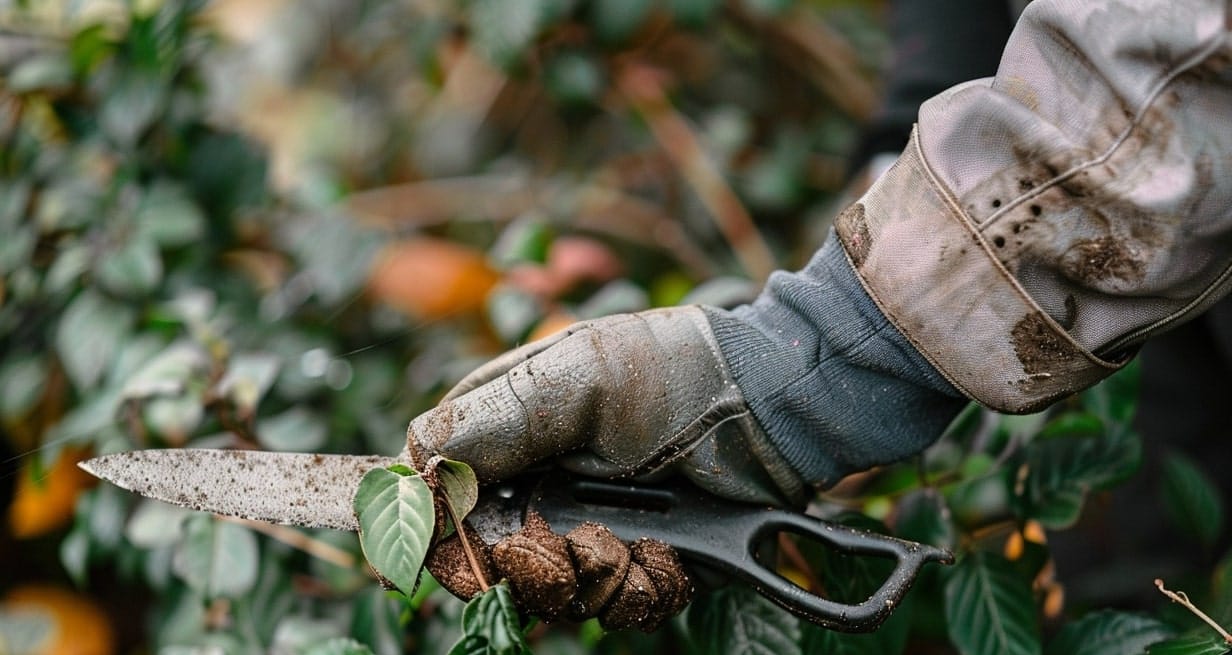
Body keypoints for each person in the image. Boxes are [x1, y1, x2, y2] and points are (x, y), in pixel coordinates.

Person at [409, 0, 1232, 566]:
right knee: (1135, 632)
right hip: (1124, 256)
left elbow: (1190, 50)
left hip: (1156, 199)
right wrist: (907, 168)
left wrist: (839, 349)